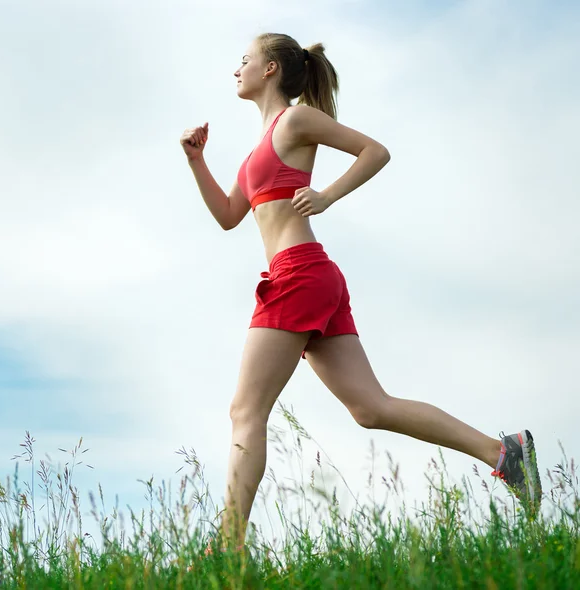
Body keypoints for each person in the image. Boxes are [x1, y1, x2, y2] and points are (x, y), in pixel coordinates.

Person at [180, 33, 542, 553]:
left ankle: (226, 551)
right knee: (371, 408)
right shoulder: (254, 152)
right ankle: (503, 453)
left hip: (298, 274)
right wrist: (196, 161)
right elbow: (229, 217)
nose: (235, 68)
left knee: (246, 411)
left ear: (270, 71)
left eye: (244, 59)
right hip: (307, 277)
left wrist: (327, 195)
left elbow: (375, 151)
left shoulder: (296, 121)